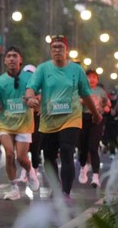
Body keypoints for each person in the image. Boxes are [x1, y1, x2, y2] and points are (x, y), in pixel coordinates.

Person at [24, 35, 102, 203]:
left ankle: (66, 193)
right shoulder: (43, 69)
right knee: (49, 156)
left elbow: (85, 94)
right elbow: (31, 88)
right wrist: (30, 98)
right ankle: (56, 184)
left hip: (71, 118)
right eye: (54, 47)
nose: (57, 50)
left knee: (67, 151)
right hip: (49, 120)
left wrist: (95, 114)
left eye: (60, 47)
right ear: (50, 50)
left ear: (67, 50)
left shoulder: (77, 70)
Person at [0, 47, 39, 200]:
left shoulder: (30, 78)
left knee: (21, 158)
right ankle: (14, 188)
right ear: (4, 61)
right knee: (9, 154)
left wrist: (34, 101)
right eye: (8, 56)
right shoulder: (0, 81)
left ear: (20, 60)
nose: (11, 59)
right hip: (5, 124)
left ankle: (30, 171)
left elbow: (39, 95)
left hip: (24, 124)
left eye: (15, 56)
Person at [77, 69, 109, 188]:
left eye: (94, 77)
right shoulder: (80, 89)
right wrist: (82, 101)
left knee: (93, 147)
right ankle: (83, 167)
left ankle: (95, 176)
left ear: (97, 79)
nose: (91, 79)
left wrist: (103, 107)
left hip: (96, 119)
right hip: (83, 118)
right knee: (83, 147)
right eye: (89, 77)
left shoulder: (101, 91)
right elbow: (76, 102)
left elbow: (106, 104)